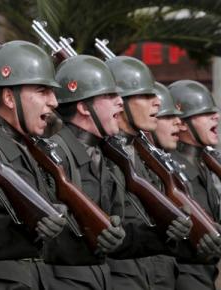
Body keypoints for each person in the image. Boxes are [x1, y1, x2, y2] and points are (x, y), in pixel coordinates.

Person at [0, 40, 66, 290]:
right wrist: (34, 223)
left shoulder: (30, 146)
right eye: (42, 91)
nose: (54, 102)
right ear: (9, 97)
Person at [105, 56, 192, 290]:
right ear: (119, 102)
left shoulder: (144, 154)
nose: (157, 103)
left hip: (154, 276)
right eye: (145, 95)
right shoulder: (103, 155)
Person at [41, 54, 126, 289]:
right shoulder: (52, 155)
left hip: (101, 276)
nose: (120, 102)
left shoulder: (107, 156)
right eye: (109, 95)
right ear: (83, 107)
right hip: (63, 280)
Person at [168, 80, 221, 290]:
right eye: (205, 114)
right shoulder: (170, 169)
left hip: (205, 273)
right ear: (181, 123)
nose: (215, 117)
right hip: (184, 277)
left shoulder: (204, 163)